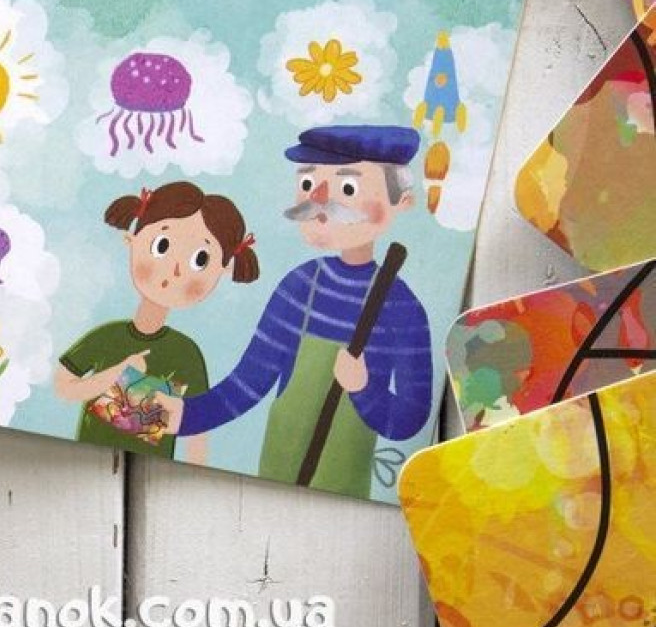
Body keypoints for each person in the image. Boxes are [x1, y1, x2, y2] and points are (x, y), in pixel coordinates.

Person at [157, 125, 432, 496]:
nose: (319, 202)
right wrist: (184, 416)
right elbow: (249, 382)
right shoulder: (300, 287)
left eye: (348, 188)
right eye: (308, 183)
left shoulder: (403, 309)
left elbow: (410, 421)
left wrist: (363, 389)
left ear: (402, 202)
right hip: (275, 477)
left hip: (343, 493)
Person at [54, 181, 259, 464]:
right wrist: (115, 374)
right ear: (132, 240)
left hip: (154, 472)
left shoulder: (186, 354)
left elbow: (198, 433)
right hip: (83, 463)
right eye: (162, 245)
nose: (175, 270)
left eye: (200, 259)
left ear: (221, 270)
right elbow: (64, 387)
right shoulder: (106, 337)